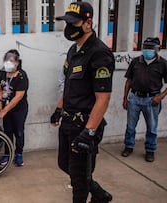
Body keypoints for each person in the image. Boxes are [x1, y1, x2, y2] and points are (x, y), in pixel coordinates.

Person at [54, 2, 114, 202]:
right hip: (68, 123)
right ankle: (100, 195)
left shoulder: (99, 53)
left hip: (84, 125)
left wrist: (88, 132)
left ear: (88, 23)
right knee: (64, 164)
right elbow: (70, 86)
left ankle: (94, 195)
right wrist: (58, 108)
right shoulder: (73, 51)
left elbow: (103, 98)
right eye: (67, 22)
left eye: (74, 22)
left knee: (78, 182)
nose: (69, 27)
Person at [121, 37, 167, 162]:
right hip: (134, 98)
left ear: (157, 49)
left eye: (151, 48)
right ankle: (129, 146)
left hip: (152, 99)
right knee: (130, 126)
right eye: (146, 47)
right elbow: (128, 81)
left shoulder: (163, 63)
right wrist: (125, 98)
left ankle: (150, 150)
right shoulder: (136, 62)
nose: (148, 50)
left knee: (152, 127)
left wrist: (161, 96)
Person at [0, 49, 29, 166]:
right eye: (6, 60)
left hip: (19, 109)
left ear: (17, 63)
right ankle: (7, 154)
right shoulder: (2, 72)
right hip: (6, 108)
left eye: (10, 61)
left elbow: (18, 97)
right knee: (7, 132)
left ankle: (19, 154)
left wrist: (5, 110)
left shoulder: (21, 76)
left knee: (19, 131)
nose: (7, 63)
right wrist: (0, 104)